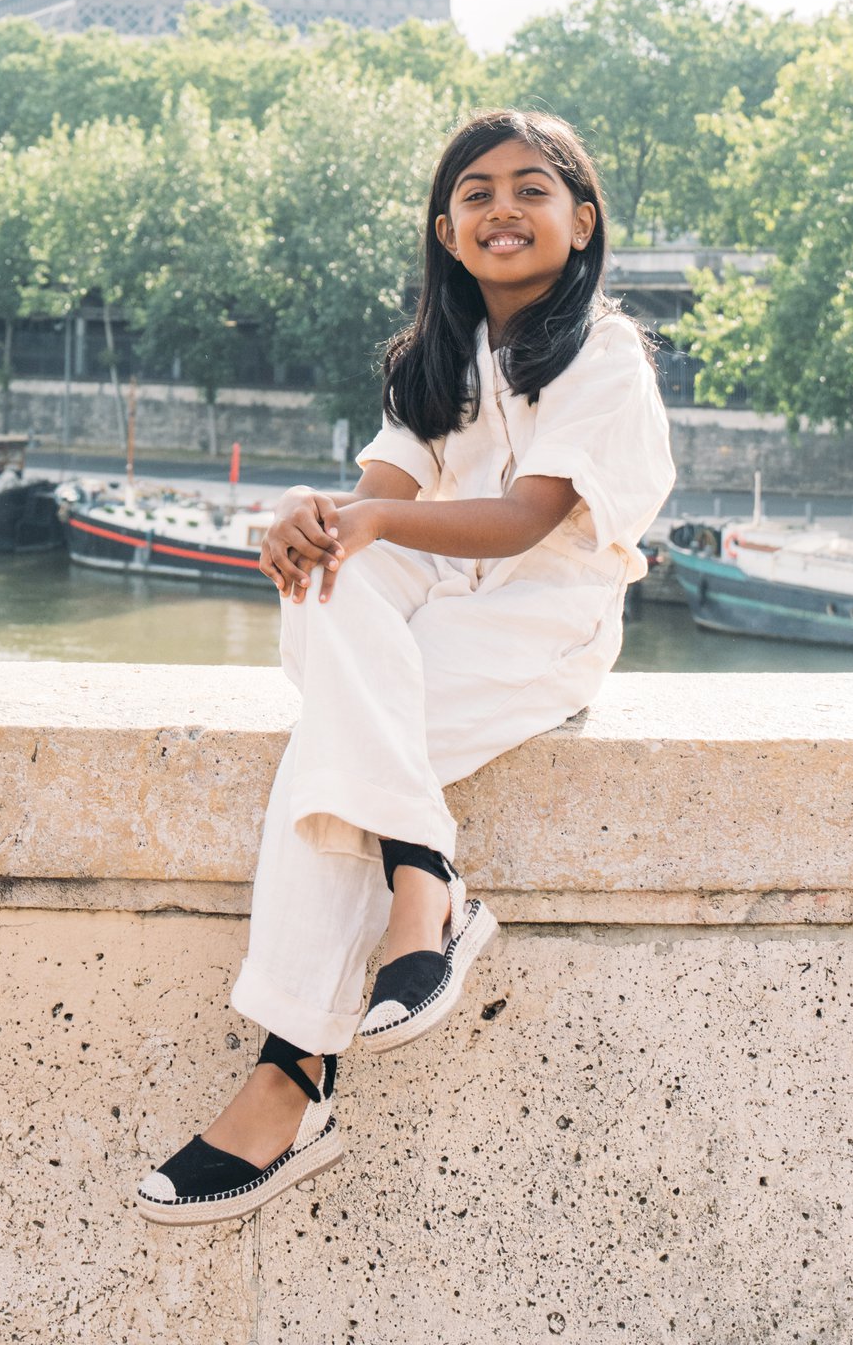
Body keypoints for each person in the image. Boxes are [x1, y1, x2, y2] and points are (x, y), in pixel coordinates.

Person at [136, 107, 676, 1226]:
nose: (502, 209)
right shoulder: (433, 361)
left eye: (531, 188)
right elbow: (373, 507)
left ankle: (289, 1077)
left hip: (544, 621)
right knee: (331, 575)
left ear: (583, 222)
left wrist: (371, 525)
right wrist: (310, 514)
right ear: (445, 231)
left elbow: (527, 521)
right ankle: (424, 874)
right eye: (476, 194)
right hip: (433, 615)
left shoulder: (606, 354)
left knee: (325, 760)